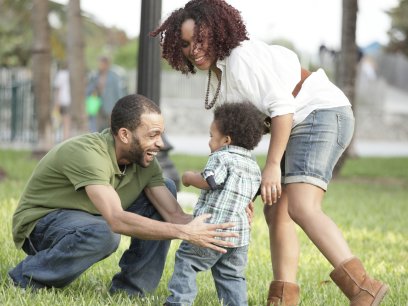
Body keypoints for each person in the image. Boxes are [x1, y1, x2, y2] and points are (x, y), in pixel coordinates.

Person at [151, 1, 389, 305]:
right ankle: (283, 298)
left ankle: (363, 288)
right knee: (275, 209)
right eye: (185, 44)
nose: (194, 49)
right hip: (302, 120)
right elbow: (240, 140)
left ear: (216, 31)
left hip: (320, 114)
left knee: (302, 207)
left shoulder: (239, 58)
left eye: (201, 39)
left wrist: (273, 165)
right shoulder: (220, 72)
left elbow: (283, 107)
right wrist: (242, 194)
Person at [8, 94, 239, 297]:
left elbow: (175, 216)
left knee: (166, 188)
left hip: (91, 217)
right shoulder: (88, 153)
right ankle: (27, 277)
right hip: (41, 225)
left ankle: (131, 291)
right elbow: (116, 220)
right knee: (105, 234)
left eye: (161, 135)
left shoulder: (145, 163)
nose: (160, 143)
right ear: (125, 135)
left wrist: (227, 220)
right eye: (153, 135)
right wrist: (184, 233)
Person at [165, 102, 264, 306]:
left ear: (226, 140)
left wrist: (190, 177)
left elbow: (212, 181)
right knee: (231, 275)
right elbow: (252, 195)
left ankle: (179, 302)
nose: (209, 141)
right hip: (239, 237)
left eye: (211, 136)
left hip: (211, 230)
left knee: (187, 262)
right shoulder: (253, 165)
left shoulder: (221, 157)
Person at [86, 56, 124, 132]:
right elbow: (88, 90)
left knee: (111, 128)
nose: (100, 65)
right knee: (97, 128)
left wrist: (119, 106)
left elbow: (119, 93)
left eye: (102, 63)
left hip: (110, 107)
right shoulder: (95, 76)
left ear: (107, 64)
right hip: (97, 106)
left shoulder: (114, 77)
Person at [53, 62, 71, 141]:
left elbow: (58, 89)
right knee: (67, 122)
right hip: (69, 101)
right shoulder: (71, 74)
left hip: (63, 100)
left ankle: (63, 139)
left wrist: (57, 101)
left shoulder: (61, 74)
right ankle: (66, 138)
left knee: (61, 121)